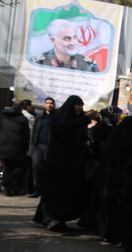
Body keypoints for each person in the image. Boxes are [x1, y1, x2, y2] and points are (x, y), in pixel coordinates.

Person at [32, 95, 90, 231]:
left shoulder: (78, 121)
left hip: (73, 164)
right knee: (54, 191)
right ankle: (50, 218)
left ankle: (58, 218)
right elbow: (65, 130)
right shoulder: (60, 118)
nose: (79, 108)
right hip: (58, 162)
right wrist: (85, 121)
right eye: (77, 105)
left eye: (81, 105)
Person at [31, 19, 99, 72]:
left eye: (75, 37)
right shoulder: (37, 63)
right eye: (67, 38)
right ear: (52, 40)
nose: (73, 43)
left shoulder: (89, 65)